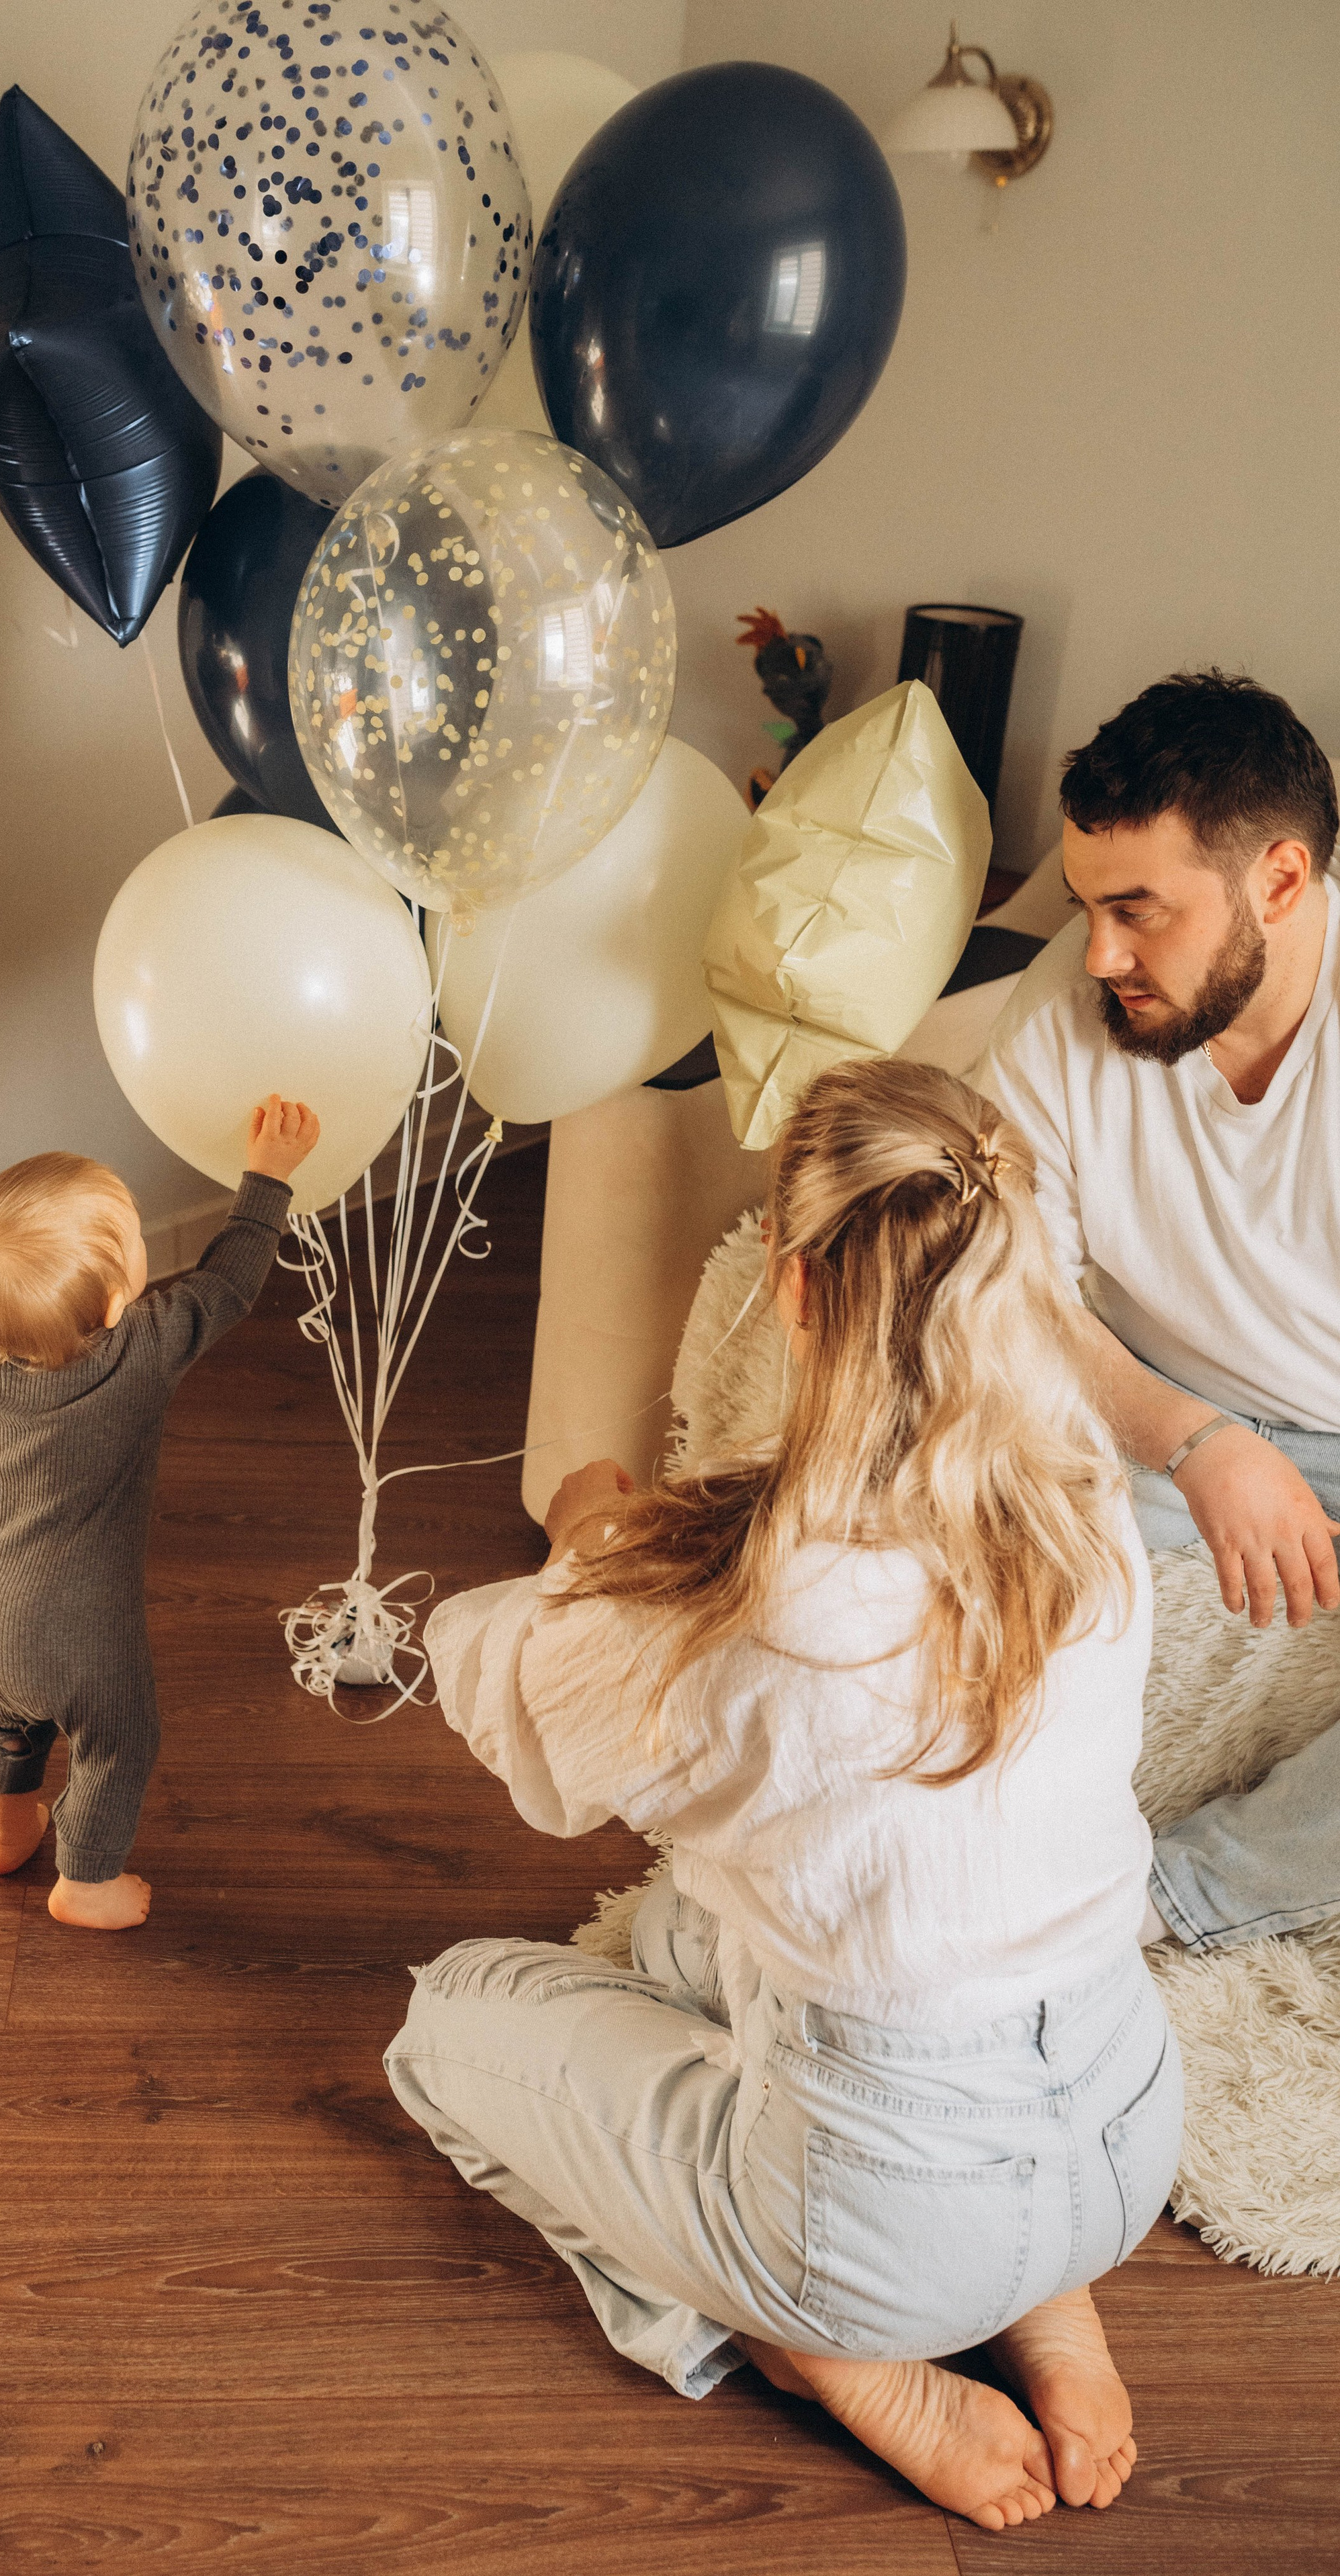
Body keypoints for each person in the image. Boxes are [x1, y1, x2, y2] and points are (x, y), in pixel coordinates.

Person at [386, 1059, 1181, 2533]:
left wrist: (578, 1539)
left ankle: (814, 2350)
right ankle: (1047, 2294)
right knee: (698, 1947)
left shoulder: (740, 1601)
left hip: (882, 2221)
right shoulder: (1088, 1513)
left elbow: (519, 1727)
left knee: (447, 2020)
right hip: (1131, 2128)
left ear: (794, 1284)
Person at [975, 671, 1340, 1952]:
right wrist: (1193, 1437)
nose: (1101, 957)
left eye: (1139, 912)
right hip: (1148, 1410)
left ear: (1281, 882)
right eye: (1087, 908)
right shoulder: (1063, 1025)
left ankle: (1156, 1902)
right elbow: (1012, 1296)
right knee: (932, 1523)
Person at [0, 1096, 318, 1928]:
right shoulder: (140, 1351)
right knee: (118, 1742)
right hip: (80, 1629)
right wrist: (267, 1179)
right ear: (107, 1308)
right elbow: (227, 1285)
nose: (143, 1251)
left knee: (9, 1714)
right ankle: (86, 1879)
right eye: (134, 1242)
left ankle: (6, 1832)